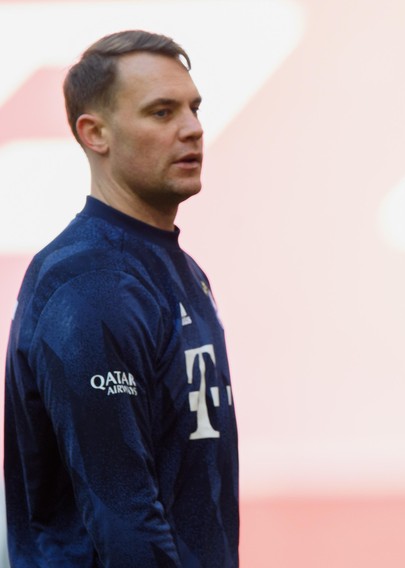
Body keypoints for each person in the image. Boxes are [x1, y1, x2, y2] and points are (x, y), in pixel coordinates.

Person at [4, 30, 239, 566]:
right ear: (95, 133)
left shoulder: (183, 271)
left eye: (194, 108)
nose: (193, 129)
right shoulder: (89, 286)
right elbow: (125, 522)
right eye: (161, 112)